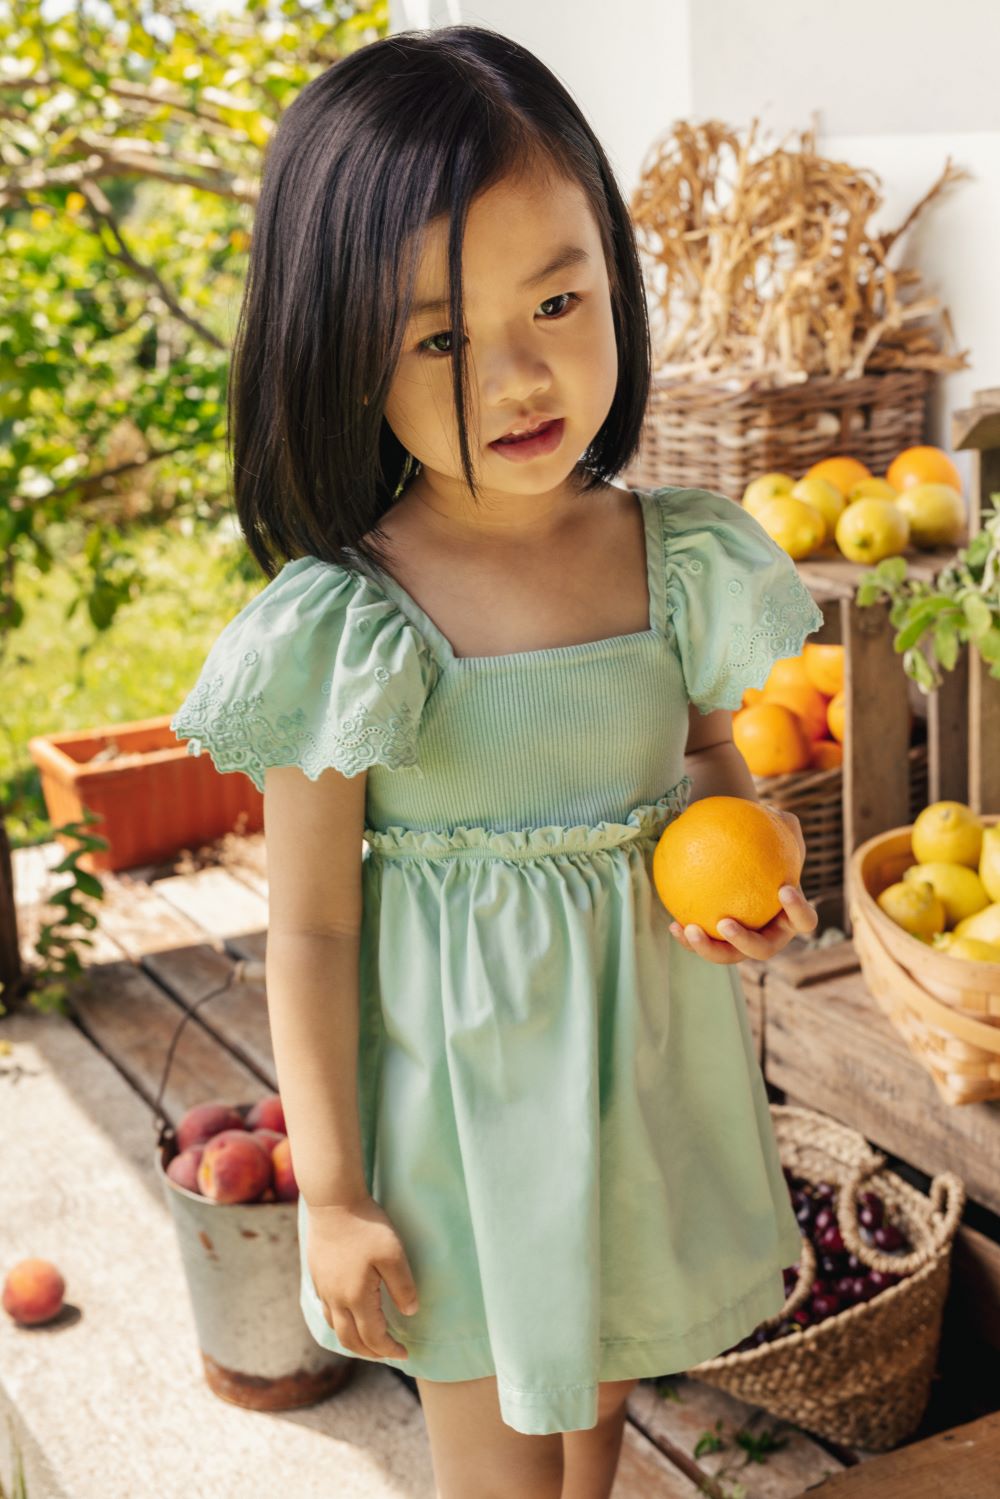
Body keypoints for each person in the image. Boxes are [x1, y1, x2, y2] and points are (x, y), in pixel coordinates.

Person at [170, 24, 824, 1499]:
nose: (523, 374)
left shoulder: (672, 558)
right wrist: (331, 1197)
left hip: (634, 1097)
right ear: (343, 349)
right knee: (500, 1471)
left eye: (558, 298)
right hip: (460, 1132)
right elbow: (316, 925)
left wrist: (754, 872)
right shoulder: (355, 623)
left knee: (591, 1420)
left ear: (615, 278)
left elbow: (710, 760)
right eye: (443, 336)